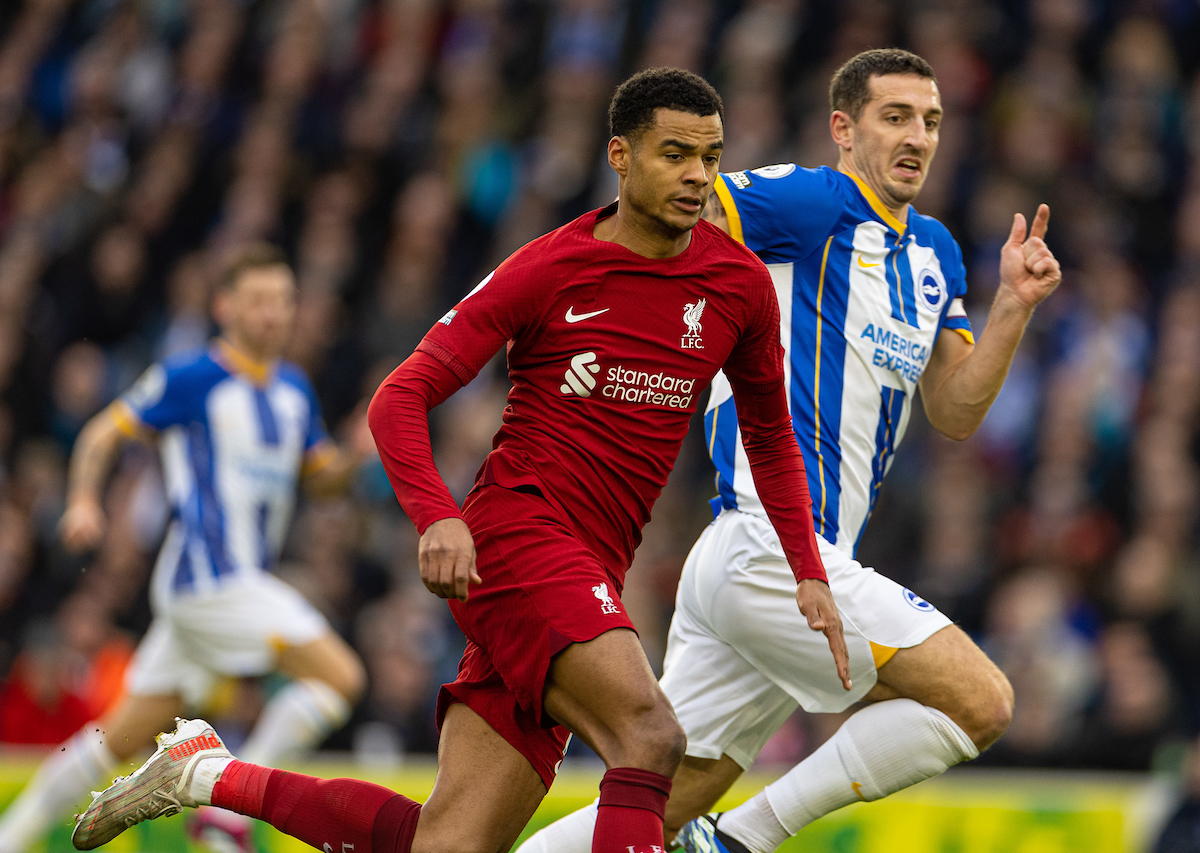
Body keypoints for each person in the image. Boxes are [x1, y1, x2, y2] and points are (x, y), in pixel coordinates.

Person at [70, 67, 851, 853]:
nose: (697, 176)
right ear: (620, 154)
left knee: (445, 844)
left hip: (592, 568)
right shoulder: (551, 267)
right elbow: (398, 397)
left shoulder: (738, 285)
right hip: (518, 538)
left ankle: (206, 776)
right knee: (649, 736)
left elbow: (772, 439)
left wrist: (807, 570)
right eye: (675, 153)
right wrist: (439, 514)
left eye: (711, 156)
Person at [517, 47, 1060, 853]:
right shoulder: (812, 202)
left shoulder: (935, 254)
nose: (919, 135)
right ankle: (744, 838)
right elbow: (674, 211)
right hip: (768, 543)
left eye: (933, 121)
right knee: (980, 701)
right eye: (896, 116)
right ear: (843, 128)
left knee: (648, 812)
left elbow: (952, 409)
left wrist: (1013, 306)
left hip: (780, 566)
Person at [0, 244, 368, 853]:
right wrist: (84, 501)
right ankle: (230, 816)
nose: (273, 314)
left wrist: (357, 453)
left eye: (283, 300)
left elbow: (323, 477)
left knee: (114, 739)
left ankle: (11, 837)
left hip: (230, 589)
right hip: (206, 581)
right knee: (342, 677)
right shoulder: (189, 377)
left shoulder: (294, 390)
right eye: (259, 301)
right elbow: (101, 433)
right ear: (225, 306)